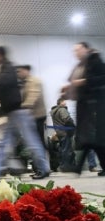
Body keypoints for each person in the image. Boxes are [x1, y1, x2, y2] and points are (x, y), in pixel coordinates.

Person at [0, 46, 50, 180]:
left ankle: (43, 168)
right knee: (4, 142)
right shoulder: (5, 69)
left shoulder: (8, 69)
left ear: (0, 55)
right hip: (12, 113)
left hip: (19, 113)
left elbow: (0, 86)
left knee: (31, 141)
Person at [62, 41, 105, 176]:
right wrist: (69, 89)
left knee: (92, 138)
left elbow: (101, 79)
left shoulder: (95, 61)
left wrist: (83, 81)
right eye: (75, 50)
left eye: (79, 49)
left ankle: (78, 167)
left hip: (95, 104)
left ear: (86, 49)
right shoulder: (81, 65)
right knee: (92, 139)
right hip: (85, 104)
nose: (76, 53)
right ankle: (79, 167)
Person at [16, 65, 47, 147]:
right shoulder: (23, 83)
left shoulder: (34, 81)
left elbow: (32, 97)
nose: (18, 74)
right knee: (34, 142)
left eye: (20, 71)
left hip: (37, 116)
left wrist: (19, 107)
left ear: (26, 71)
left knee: (38, 141)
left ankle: (44, 158)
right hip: (30, 116)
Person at [50, 98, 76, 171]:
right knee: (66, 149)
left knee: (62, 149)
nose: (66, 103)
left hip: (59, 132)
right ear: (61, 102)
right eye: (64, 101)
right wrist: (73, 126)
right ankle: (65, 166)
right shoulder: (62, 109)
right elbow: (67, 119)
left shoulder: (53, 111)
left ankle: (62, 165)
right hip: (65, 131)